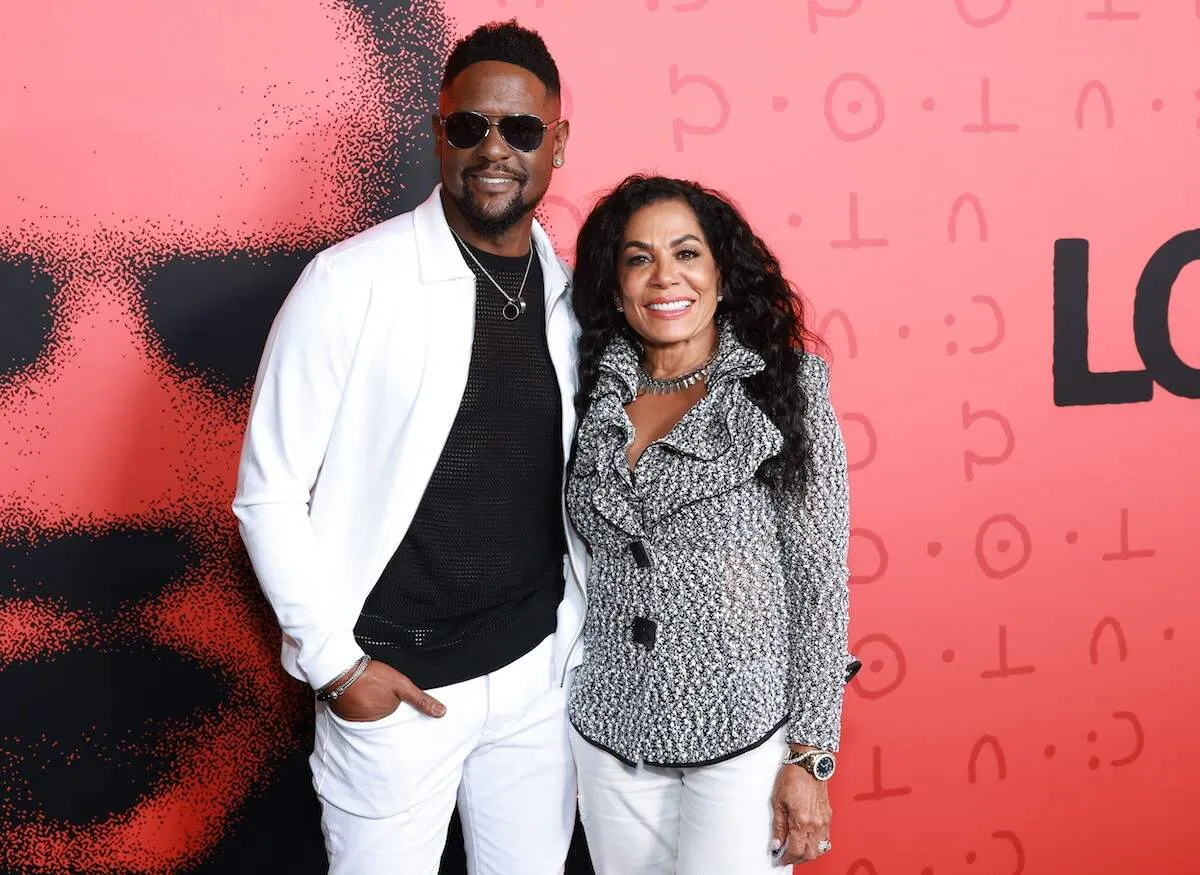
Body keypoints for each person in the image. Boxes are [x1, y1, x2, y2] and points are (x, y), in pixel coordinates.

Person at [232, 21, 587, 875]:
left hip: (539, 680)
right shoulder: (349, 281)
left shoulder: (575, 292)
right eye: (470, 126)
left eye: (521, 130)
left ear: (558, 144)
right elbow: (267, 491)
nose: (494, 149)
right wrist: (337, 668)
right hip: (396, 690)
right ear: (438, 130)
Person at [566, 175, 853, 872]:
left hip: (742, 741)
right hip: (609, 733)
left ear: (721, 274)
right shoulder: (589, 391)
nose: (665, 276)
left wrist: (811, 757)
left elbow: (818, 585)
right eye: (639, 258)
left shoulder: (784, 390)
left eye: (687, 253)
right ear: (615, 284)